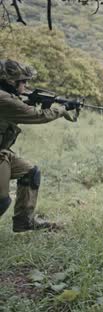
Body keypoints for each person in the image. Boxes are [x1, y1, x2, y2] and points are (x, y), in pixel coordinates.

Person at [0, 59, 77, 232]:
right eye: (23, 81)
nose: (26, 85)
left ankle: (23, 222)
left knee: (30, 172)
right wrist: (62, 108)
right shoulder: (4, 99)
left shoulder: (8, 97)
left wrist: (31, 102)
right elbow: (38, 116)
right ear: (10, 81)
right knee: (2, 200)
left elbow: (18, 109)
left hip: (3, 152)